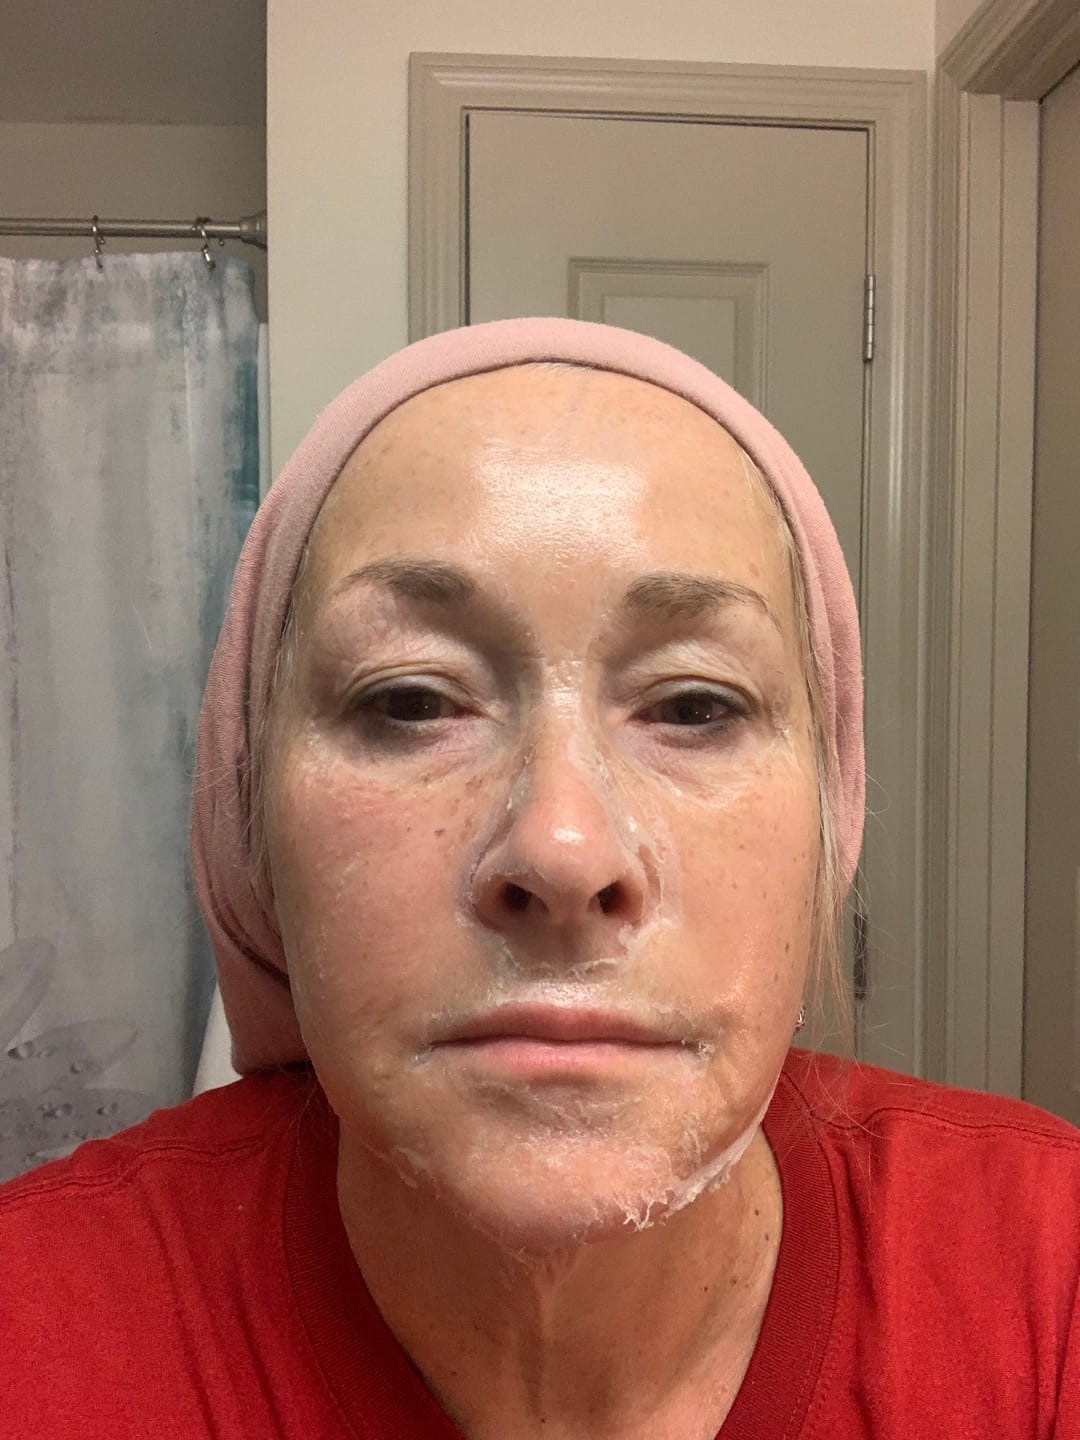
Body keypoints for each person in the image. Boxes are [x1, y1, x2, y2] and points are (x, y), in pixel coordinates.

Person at [1, 318, 1077, 1438]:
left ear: (829, 819)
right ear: (248, 828)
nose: (564, 852)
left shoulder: (1047, 1288)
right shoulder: (34, 1333)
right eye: (410, 700)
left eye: (694, 705)